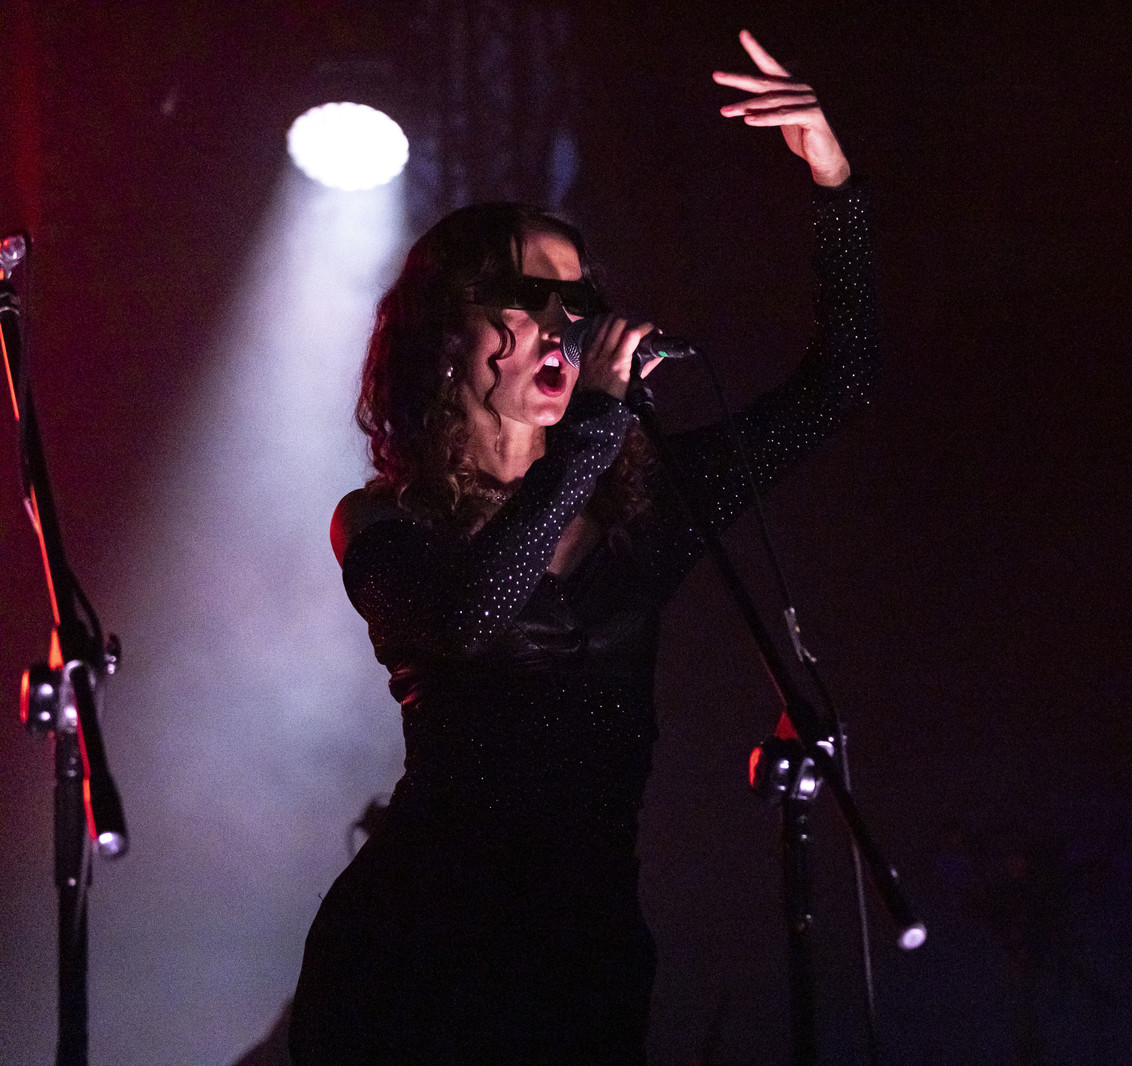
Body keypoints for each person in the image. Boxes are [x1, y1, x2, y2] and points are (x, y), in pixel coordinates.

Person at [287, 30, 877, 1066]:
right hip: (417, 954)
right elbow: (471, 616)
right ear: (451, 334)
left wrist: (835, 185)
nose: (563, 324)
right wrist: (596, 429)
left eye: (579, 301)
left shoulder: (646, 514)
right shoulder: (383, 521)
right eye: (530, 298)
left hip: (583, 957)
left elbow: (840, 383)